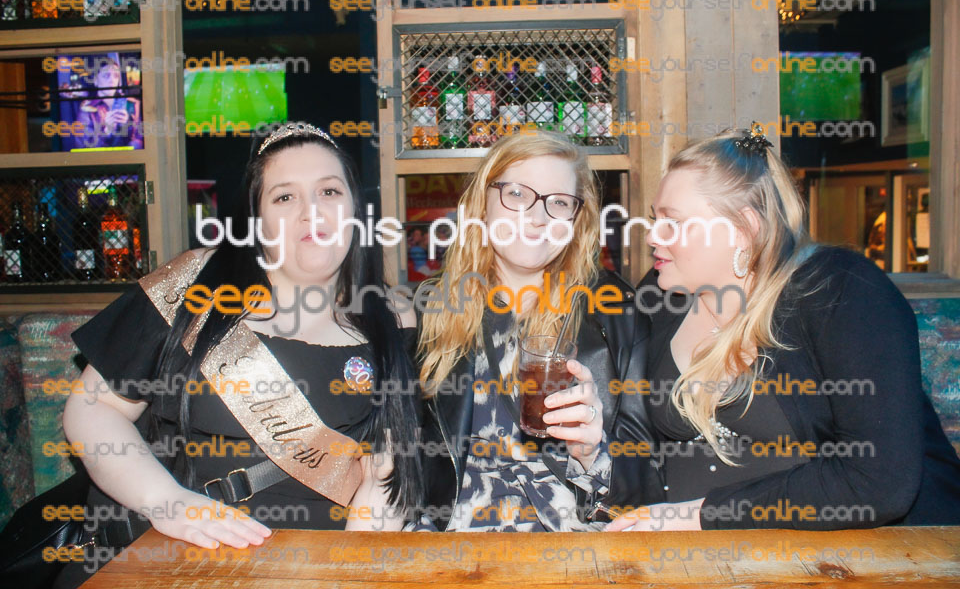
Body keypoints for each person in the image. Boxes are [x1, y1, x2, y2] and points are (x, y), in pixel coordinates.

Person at [55, 122, 422, 586]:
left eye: (329, 191)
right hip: (179, 556)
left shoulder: (392, 317)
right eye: (285, 197)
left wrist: (354, 555)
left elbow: (391, 464)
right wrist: (167, 502)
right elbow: (92, 409)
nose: (312, 212)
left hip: (320, 566)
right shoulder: (194, 286)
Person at [606, 124, 960, 532]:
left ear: (743, 229)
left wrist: (697, 516)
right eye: (655, 219)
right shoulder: (661, 294)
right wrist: (594, 437)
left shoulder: (841, 291)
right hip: (696, 554)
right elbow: (641, 446)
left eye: (673, 221)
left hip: (869, 554)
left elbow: (879, 482)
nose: (652, 235)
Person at [414, 130, 661, 532]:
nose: (537, 217)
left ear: (577, 219)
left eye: (559, 202)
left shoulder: (616, 311)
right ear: (482, 203)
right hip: (455, 546)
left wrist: (591, 452)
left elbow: (647, 484)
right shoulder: (432, 310)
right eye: (516, 194)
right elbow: (408, 466)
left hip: (572, 548)